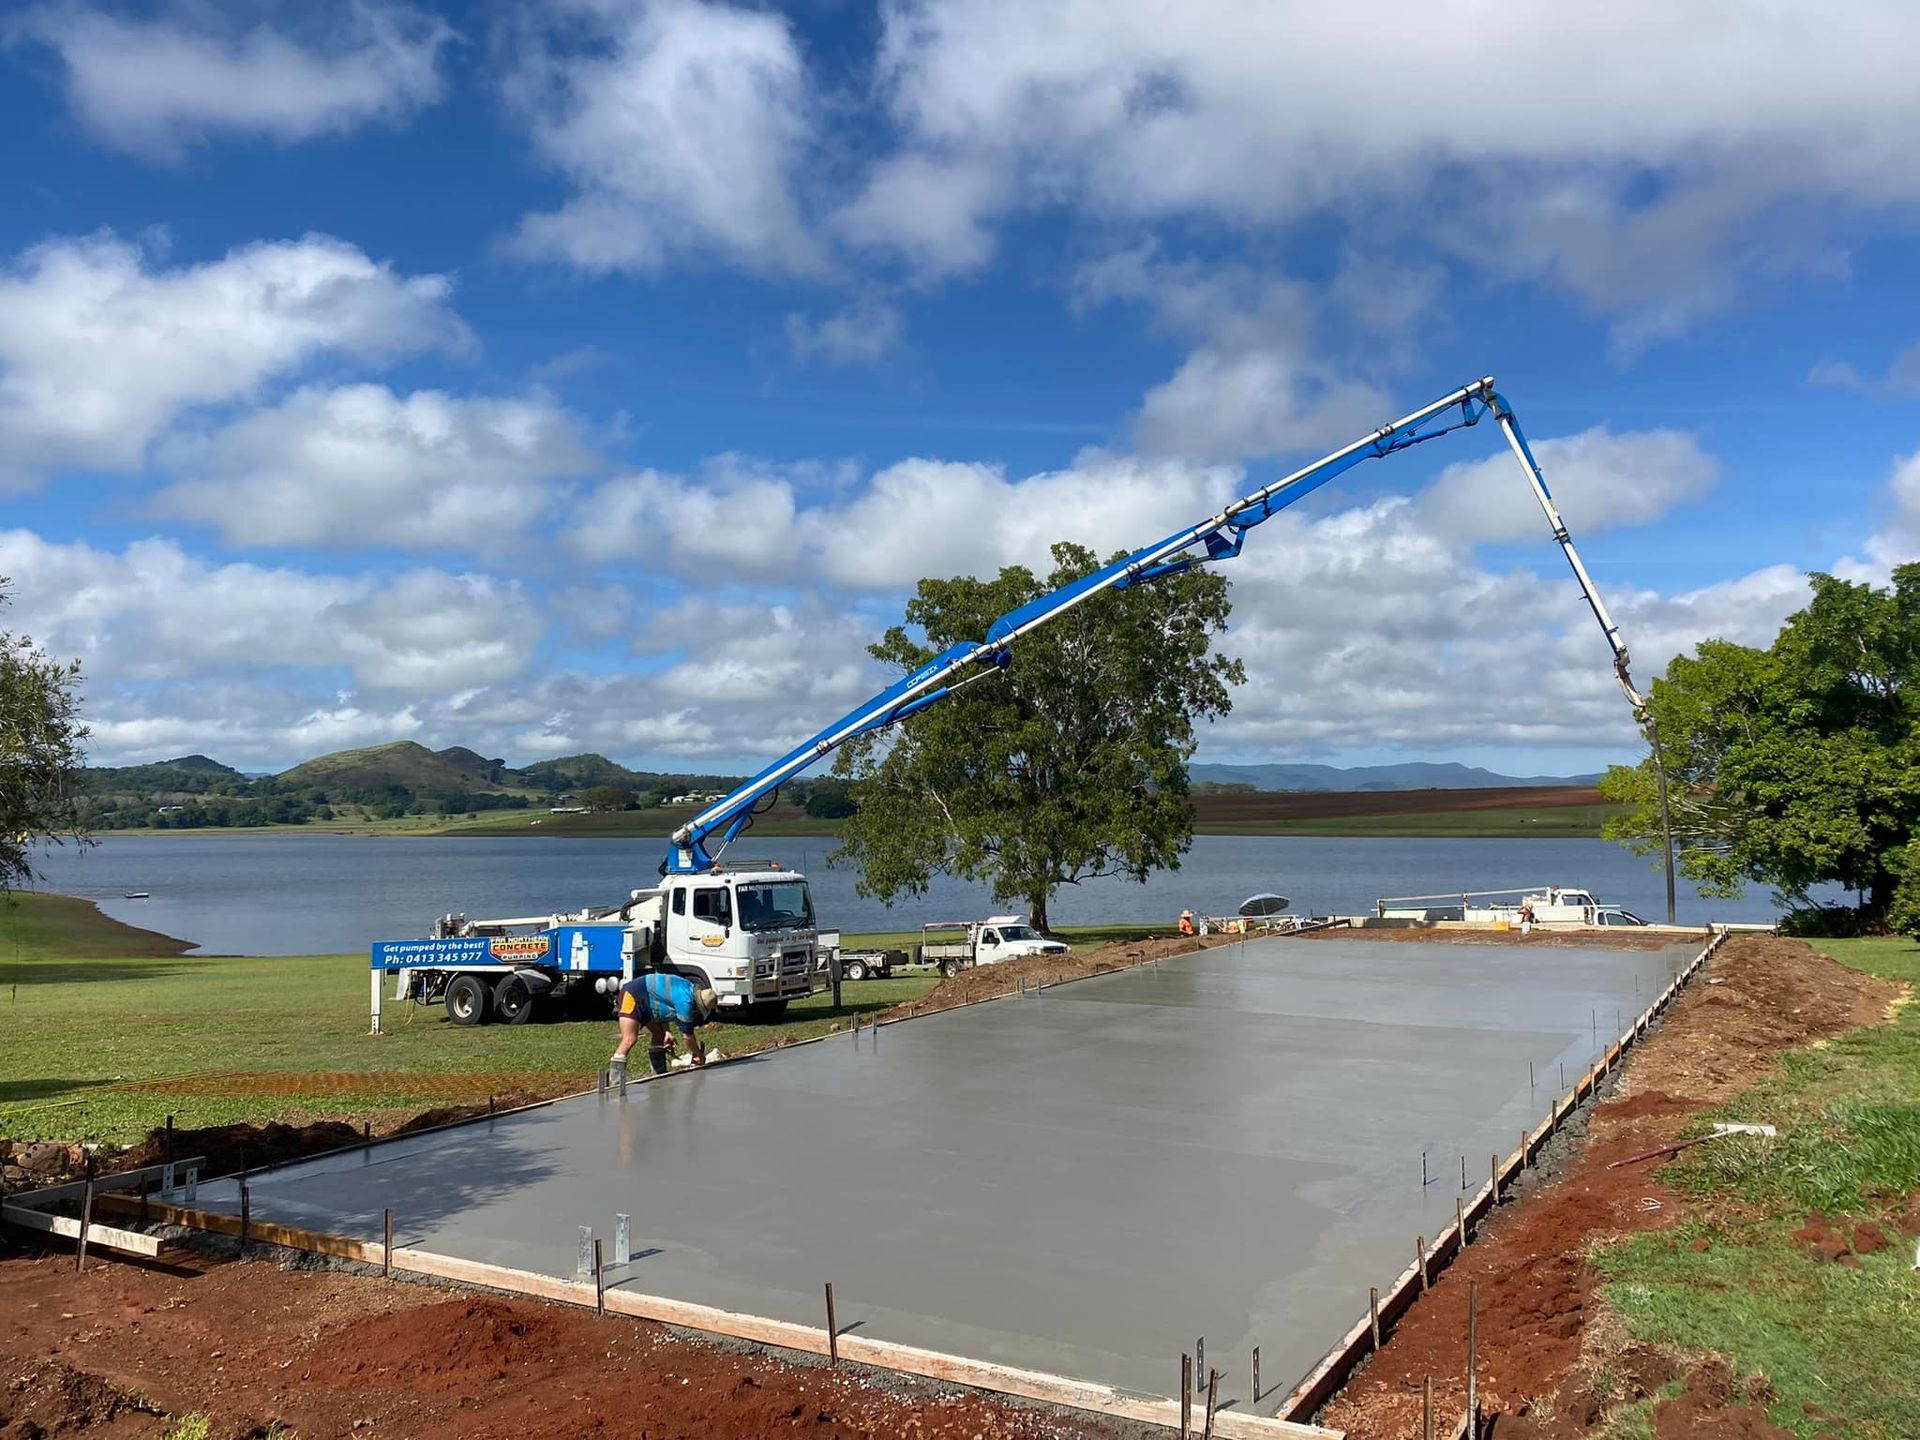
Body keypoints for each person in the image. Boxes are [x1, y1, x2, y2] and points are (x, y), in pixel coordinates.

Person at [610, 971, 719, 1079]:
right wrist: (699, 1055)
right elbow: (688, 1037)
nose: (697, 1013)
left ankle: (658, 1072)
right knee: (629, 1039)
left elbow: (660, 999)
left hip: (648, 1001)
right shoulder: (685, 1002)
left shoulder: (688, 987)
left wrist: (667, 1031)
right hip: (632, 995)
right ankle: (615, 1079)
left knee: (659, 1033)